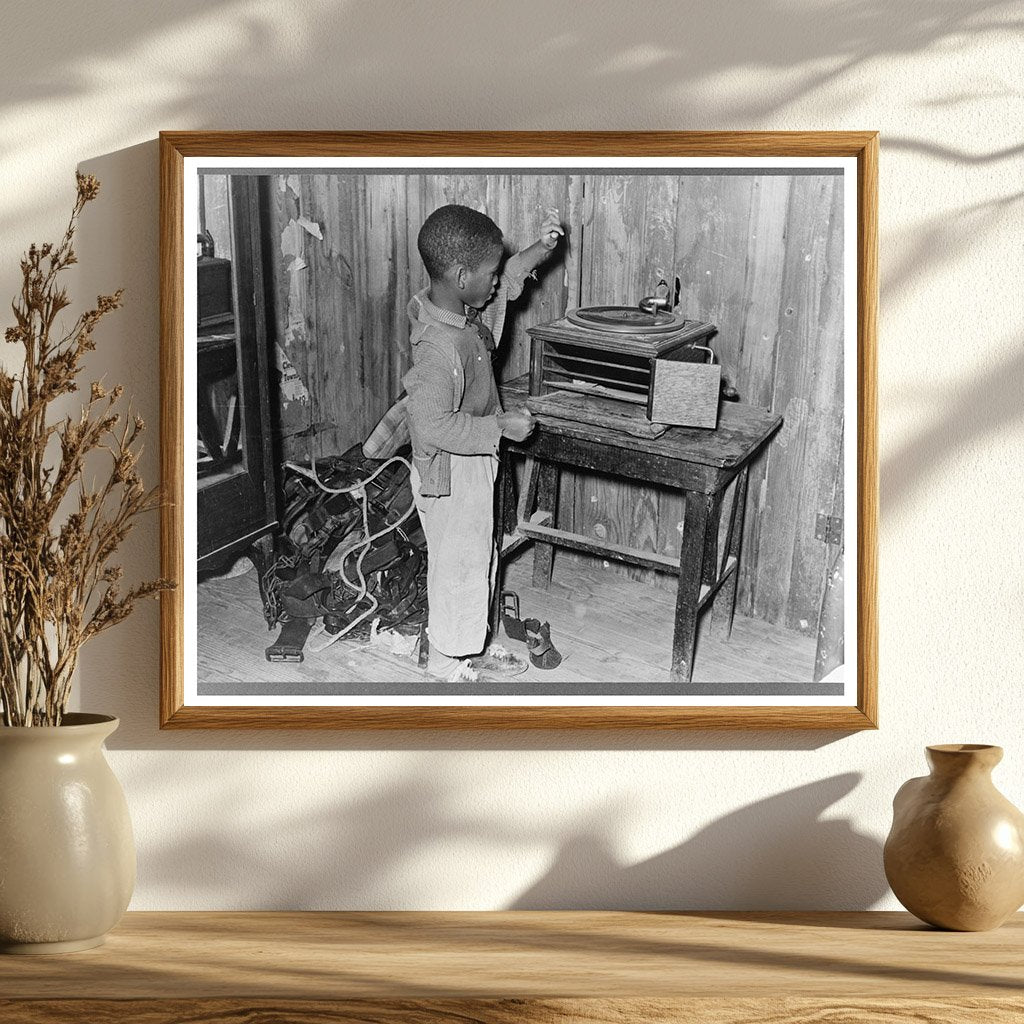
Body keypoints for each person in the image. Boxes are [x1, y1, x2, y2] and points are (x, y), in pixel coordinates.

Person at [403, 203, 564, 682]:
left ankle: (467, 644)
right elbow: (431, 425)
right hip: (450, 474)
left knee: (478, 559)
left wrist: (542, 248)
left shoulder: (465, 310)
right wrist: (500, 428)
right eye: (489, 273)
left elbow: (509, 278)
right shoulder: (438, 348)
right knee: (458, 569)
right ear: (461, 276)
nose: (497, 280)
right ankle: (446, 665)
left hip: (471, 461)